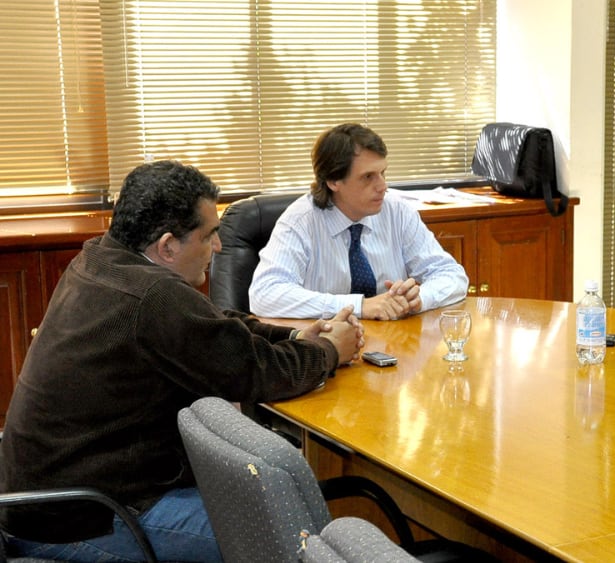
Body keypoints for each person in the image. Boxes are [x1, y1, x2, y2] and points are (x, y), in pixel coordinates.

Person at [0, 160, 364, 562]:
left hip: (48, 499)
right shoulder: (152, 297)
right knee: (292, 538)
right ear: (168, 246)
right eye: (209, 236)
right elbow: (260, 373)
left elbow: (208, 322)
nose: (219, 247)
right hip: (82, 519)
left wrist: (293, 336)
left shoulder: (101, 259)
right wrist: (331, 350)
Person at [249, 123, 469, 320]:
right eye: (368, 177)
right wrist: (359, 306)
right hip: (327, 344)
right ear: (334, 181)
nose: (382, 186)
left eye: (383, 173)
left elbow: (452, 275)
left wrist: (419, 299)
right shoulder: (300, 221)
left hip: (392, 342)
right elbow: (265, 294)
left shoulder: (397, 212)